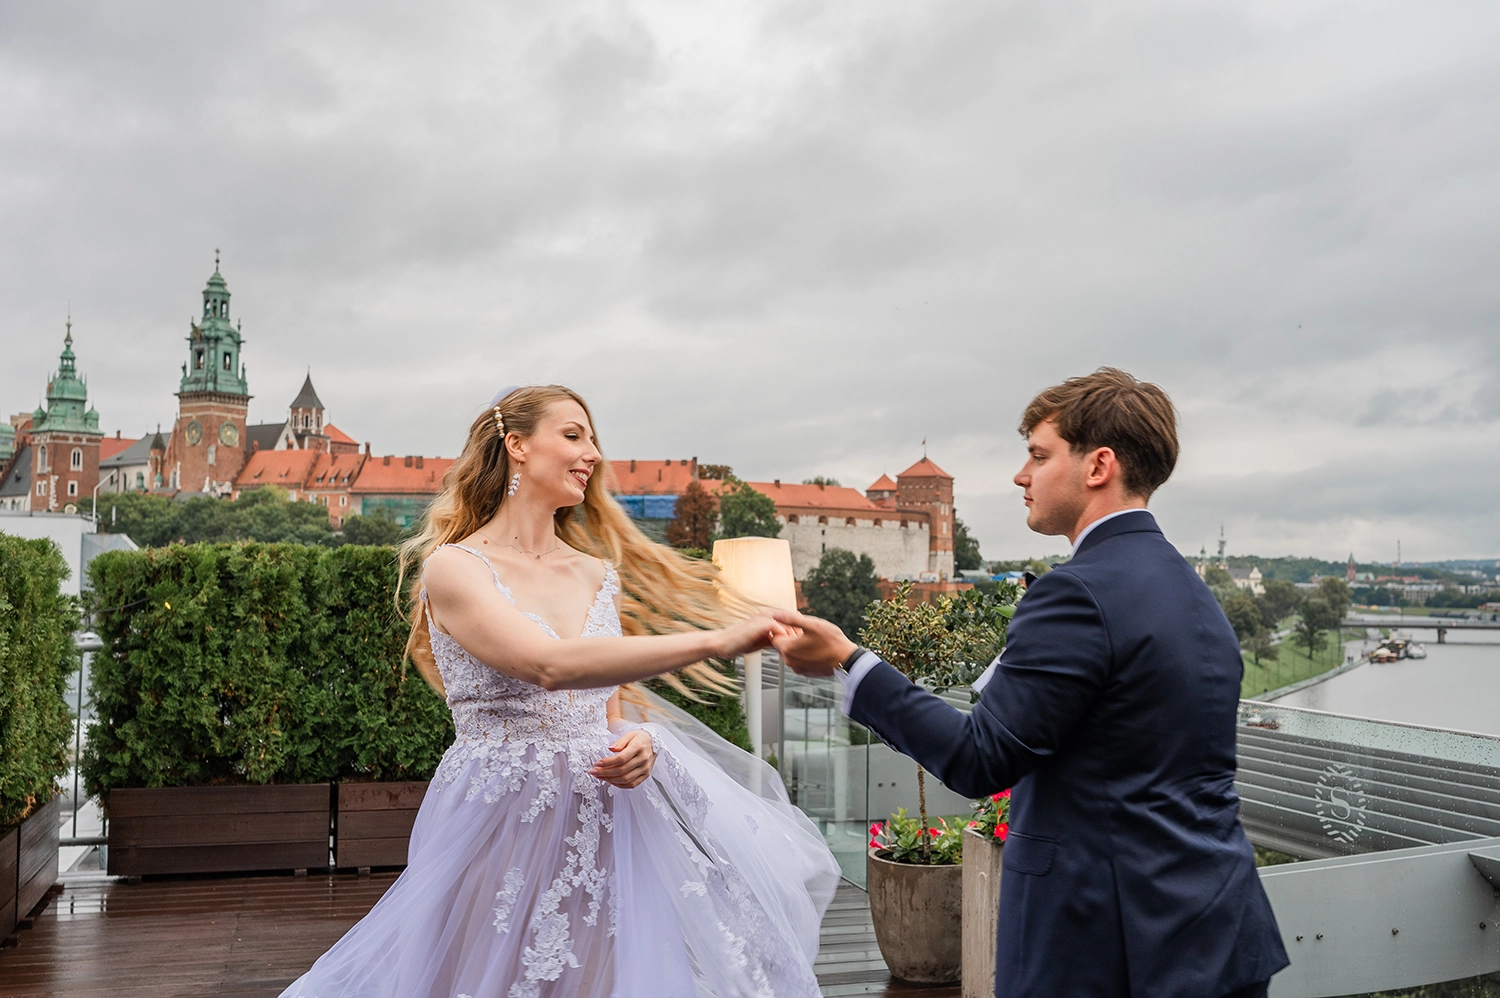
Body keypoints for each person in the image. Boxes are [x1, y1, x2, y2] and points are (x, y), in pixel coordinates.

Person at [281, 385, 839, 998]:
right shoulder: (455, 568)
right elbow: (548, 664)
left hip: (601, 816)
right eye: (574, 435)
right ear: (516, 446)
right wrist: (719, 641)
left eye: (593, 439)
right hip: (498, 814)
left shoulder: (597, 574)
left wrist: (641, 744)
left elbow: (610, 710)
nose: (592, 453)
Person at [771, 369, 1290, 998]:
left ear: (1099, 465)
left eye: (1039, 456)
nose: (1021, 475)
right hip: (1218, 934)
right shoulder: (1195, 595)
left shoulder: (1075, 593)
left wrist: (853, 663)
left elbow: (978, 757)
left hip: (1104, 948)